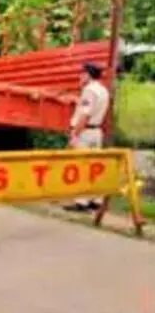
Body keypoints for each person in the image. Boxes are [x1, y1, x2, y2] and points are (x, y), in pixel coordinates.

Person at [63, 62, 110, 212]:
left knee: (81, 166)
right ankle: (95, 200)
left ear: (89, 75)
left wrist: (75, 134)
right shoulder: (103, 90)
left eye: (82, 73)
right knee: (94, 168)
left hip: (86, 132)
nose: (80, 76)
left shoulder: (89, 91)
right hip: (97, 131)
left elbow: (85, 115)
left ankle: (81, 202)